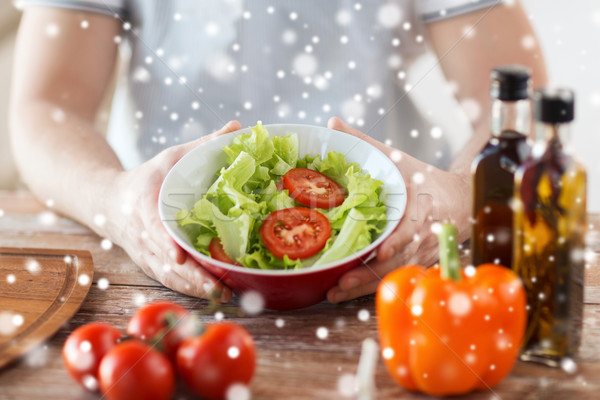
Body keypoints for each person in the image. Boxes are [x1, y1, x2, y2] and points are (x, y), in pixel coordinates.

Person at [9, 0, 546, 303]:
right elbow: (45, 108)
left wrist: (458, 196)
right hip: (160, 267)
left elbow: (522, 106)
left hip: (400, 265)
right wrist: (115, 199)